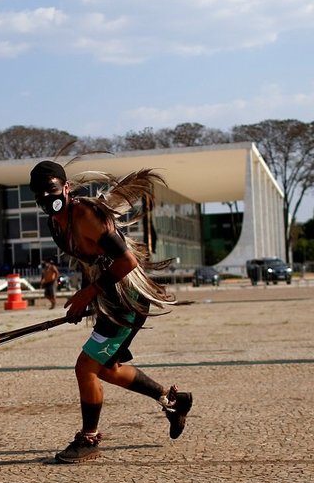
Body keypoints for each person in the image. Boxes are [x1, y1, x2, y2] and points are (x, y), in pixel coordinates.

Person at [29, 159, 193, 463]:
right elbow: (90, 262)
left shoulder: (88, 215)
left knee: (85, 367)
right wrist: (87, 301)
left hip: (127, 296)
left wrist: (89, 293)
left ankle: (89, 439)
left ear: (65, 188)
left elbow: (127, 261)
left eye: (52, 192)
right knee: (106, 368)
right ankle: (172, 401)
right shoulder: (56, 225)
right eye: (40, 197)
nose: (47, 201)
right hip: (108, 295)